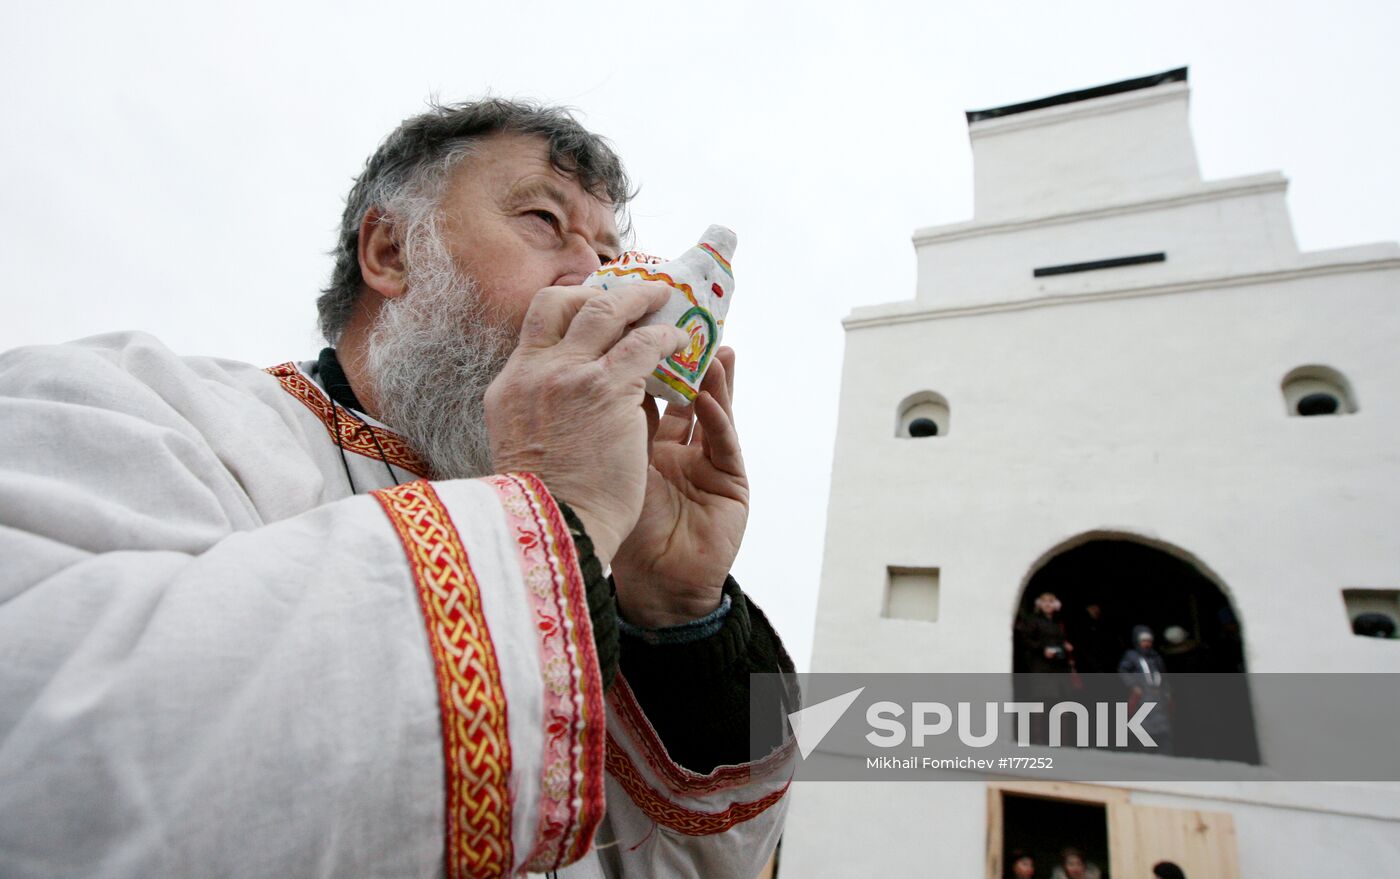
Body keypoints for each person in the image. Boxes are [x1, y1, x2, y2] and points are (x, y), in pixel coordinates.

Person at [0, 99, 794, 877]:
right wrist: (555, 514)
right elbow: (49, 753)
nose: (600, 275)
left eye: (612, 248)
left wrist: (675, 622)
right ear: (390, 252)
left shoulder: (587, 573)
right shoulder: (127, 404)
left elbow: (709, 861)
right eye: (545, 221)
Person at [1015, 591, 1074, 744]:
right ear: (1039, 604)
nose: (1048, 604)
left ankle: (1062, 740)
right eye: (1045, 601)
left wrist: (1064, 646)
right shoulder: (1033, 621)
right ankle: (1039, 739)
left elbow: (1058, 640)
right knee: (1041, 702)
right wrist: (1042, 649)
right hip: (1041, 667)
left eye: (1051, 601)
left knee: (1061, 703)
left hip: (1058, 668)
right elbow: (1026, 640)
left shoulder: (1057, 623)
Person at [1118, 625, 1173, 753]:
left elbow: (1163, 676)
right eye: (1143, 641)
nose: (1146, 644)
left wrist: (1168, 693)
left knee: (1164, 734)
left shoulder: (1155, 657)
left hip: (1158, 699)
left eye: (1149, 641)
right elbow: (1123, 671)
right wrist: (1134, 686)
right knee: (1145, 732)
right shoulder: (1131, 656)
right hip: (1142, 699)